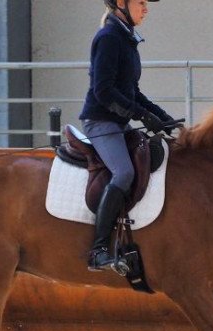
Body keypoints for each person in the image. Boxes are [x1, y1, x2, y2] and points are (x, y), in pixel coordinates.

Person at [79, 0, 176, 272]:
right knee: (123, 173)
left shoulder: (126, 38)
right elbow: (104, 91)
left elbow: (133, 92)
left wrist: (163, 118)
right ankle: (98, 250)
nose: (146, 8)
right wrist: (142, 116)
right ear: (121, 3)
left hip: (118, 122)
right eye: (141, 2)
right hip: (101, 121)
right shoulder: (109, 37)